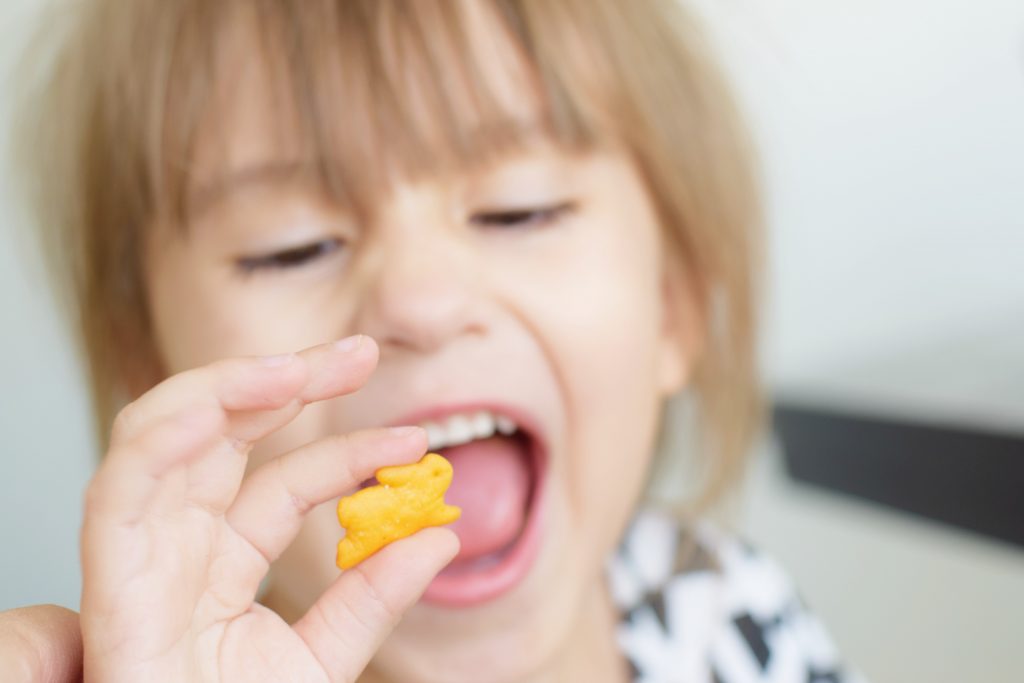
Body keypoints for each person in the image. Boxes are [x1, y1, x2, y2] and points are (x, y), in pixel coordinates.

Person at [1, 0, 862, 681]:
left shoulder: (725, 604)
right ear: (156, 376)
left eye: (519, 207)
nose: (421, 301)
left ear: (673, 306)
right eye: (291, 246)